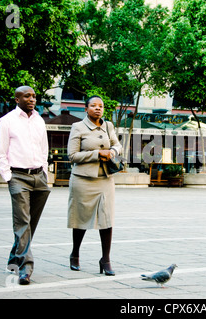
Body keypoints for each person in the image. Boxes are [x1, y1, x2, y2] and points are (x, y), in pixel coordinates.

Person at [0, 85, 50, 285]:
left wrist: (45, 172)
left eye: (34, 96)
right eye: (27, 96)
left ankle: (13, 260)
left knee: (29, 224)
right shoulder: (6, 122)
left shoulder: (39, 121)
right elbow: (0, 153)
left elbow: (44, 149)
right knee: (22, 223)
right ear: (17, 99)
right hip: (18, 177)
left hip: (39, 178)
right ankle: (25, 268)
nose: (32, 99)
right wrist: (9, 177)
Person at [67, 95, 122, 276]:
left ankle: (105, 259)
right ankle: (75, 254)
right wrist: (97, 154)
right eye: (93, 105)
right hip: (83, 180)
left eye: (101, 106)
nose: (98, 108)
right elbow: (72, 156)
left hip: (105, 179)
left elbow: (117, 145)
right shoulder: (78, 127)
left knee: (107, 219)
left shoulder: (108, 126)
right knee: (81, 219)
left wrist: (112, 152)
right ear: (86, 108)